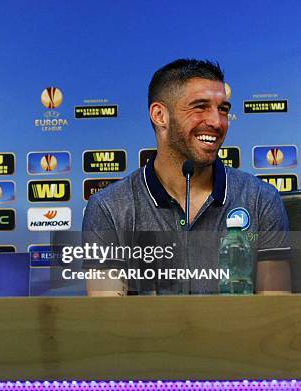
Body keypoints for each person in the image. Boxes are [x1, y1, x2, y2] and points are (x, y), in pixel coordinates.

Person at [82, 59, 290, 296]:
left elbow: (275, 315)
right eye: (200, 107)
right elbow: (108, 320)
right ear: (160, 115)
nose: (217, 122)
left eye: (223, 109)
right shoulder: (109, 208)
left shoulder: (261, 199)